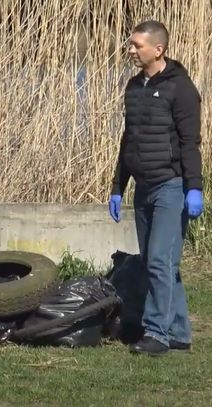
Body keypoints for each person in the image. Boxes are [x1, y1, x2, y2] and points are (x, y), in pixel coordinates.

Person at [109, 21, 203, 356]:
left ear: (158, 49)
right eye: (131, 45)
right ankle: (179, 333)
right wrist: (118, 187)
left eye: (137, 45)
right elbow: (128, 140)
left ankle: (157, 335)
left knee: (159, 262)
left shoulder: (181, 88)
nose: (131, 50)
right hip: (143, 188)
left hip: (171, 186)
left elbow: (190, 142)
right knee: (156, 260)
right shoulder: (134, 87)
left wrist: (194, 187)